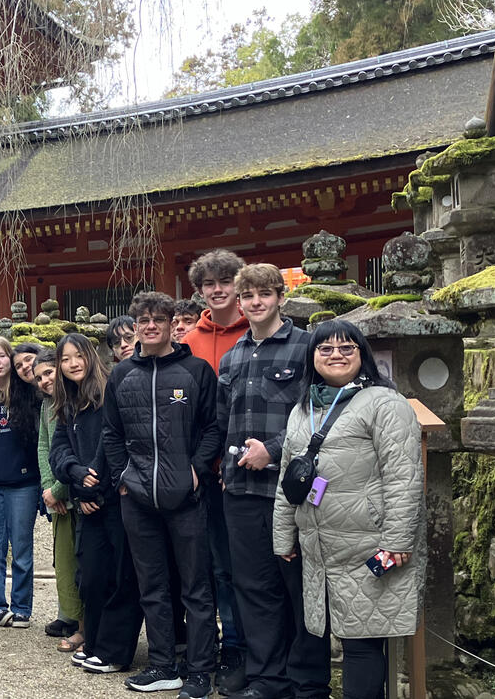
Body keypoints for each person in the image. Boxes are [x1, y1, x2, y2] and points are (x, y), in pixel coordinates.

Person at [273, 321, 424, 699]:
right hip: (316, 546)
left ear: (362, 355)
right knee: (311, 635)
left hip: (366, 542)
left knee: (362, 641)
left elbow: (404, 476)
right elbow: (287, 480)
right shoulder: (303, 407)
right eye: (325, 349)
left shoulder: (385, 403)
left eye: (346, 348)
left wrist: (398, 539)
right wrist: (283, 536)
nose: (335, 355)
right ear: (312, 357)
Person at [102, 291, 222, 697]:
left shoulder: (196, 370)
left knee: (196, 587)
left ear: (173, 324)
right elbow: (112, 433)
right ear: (135, 326)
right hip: (137, 496)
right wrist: (122, 476)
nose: (150, 326)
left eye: (158, 319)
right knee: (152, 586)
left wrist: (197, 470)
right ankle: (162, 663)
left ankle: (201, 669)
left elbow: (212, 428)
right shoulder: (121, 375)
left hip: (185, 496)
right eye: (143, 320)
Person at [219, 263, 325, 699]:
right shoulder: (233, 355)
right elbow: (224, 421)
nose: (256, 302)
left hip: (292, 490)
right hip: (241, 490)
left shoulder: (305, 349)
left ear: (281, 296)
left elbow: (321, 416)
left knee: (300, 585)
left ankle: (308, 681)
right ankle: (267, 680)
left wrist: (274, 449)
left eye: (265, 293)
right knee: (253, 587)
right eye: (248, 296)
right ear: (239, 302)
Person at [50, 333, 144, 675]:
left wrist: (95, 487)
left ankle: (116, 651)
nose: (73, 364)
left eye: (78, 356)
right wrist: (76, 479)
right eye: (65, 359)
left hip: (116, 499)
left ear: (91, 357)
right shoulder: (68, 402)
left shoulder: (110, 391)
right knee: (91, 576)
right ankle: (97, 643)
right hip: (87, 498)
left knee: (120, 576)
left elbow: (112, 441)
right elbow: (58, 449)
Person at [183, 249, 250, 688]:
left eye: (226, 281)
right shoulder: (188, 340)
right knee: (200, 567)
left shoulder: (254, 335)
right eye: (209, 283)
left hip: (243, 466)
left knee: (235, 567)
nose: (218, 289)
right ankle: (204, 648)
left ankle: (239, 648)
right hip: (195, 469)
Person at [0, 337, 42, 629]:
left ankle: (22, 606)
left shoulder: (28, 394)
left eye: (3, 356)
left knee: (23, 548)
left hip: (24, 482)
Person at [34, 349, 82, 651]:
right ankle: (73, 619)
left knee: (82, 563)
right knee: (63, 564)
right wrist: (49, 488)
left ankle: (86, 625)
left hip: (79, 494)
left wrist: (61, 489)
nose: (43, 380)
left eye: (49, 373)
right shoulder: (47, 406)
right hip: (57, 496)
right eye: (39, 377)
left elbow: (79, 452)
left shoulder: (76, 401)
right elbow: (43, 446)